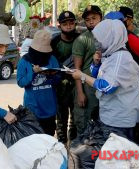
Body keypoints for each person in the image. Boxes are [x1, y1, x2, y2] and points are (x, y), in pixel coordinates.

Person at [70, 19, 139, 140]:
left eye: (99, 39)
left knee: (118, 155)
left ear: (111, 38)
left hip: (119, 120)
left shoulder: (121, 59)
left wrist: (82, 76)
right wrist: (96, 63)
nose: (97, 42)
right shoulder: (111, 54)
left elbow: (107, 87)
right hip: (110, 113)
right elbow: (97, 75)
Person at [17, 30, 60, 136]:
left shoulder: (52, 59)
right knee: (34, 141)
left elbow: (58, 79)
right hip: (33, 109)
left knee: (48, 138)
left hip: (50, 108)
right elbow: (21, 82)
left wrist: (50, 75)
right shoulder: (24, 61)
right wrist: (33, 73)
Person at [71, 5, 102, 135]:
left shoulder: (109, 36)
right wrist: (80, 93)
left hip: (104, 86)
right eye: (87, 19)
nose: (90, 21)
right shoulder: (81, 40)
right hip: (87, 87)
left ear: (101, 18)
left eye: (94, 18)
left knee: (101, 125)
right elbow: (76, 70)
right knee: (84, 125)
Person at [50, 11, 79, 144]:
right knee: (61, 118)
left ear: (75, 24)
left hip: (77, 84)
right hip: (59, 85)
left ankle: (74, 147)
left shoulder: (81, 39)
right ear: (59, 26)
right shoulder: (54, 42)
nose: (68, 26)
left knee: (75, 118)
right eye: (65, 23)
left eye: (71, 23)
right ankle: (61, 145)